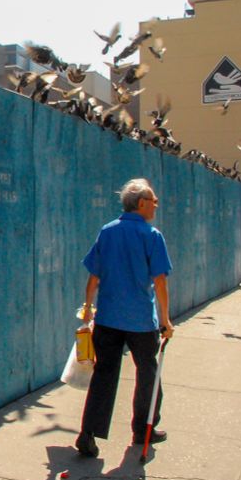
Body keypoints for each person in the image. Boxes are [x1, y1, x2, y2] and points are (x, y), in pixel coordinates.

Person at [75, 178, 174, 458]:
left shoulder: (107, 232)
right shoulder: (152, 235)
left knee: (104, 375)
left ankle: (88, 433)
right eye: (153, 200)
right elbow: (160, 282)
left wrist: (87, 307)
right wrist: (166, 320)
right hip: (141, 320)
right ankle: (144, 429)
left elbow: (93, 276)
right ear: (141, 203)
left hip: (108, 317)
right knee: (147, 373)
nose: (156, 205)